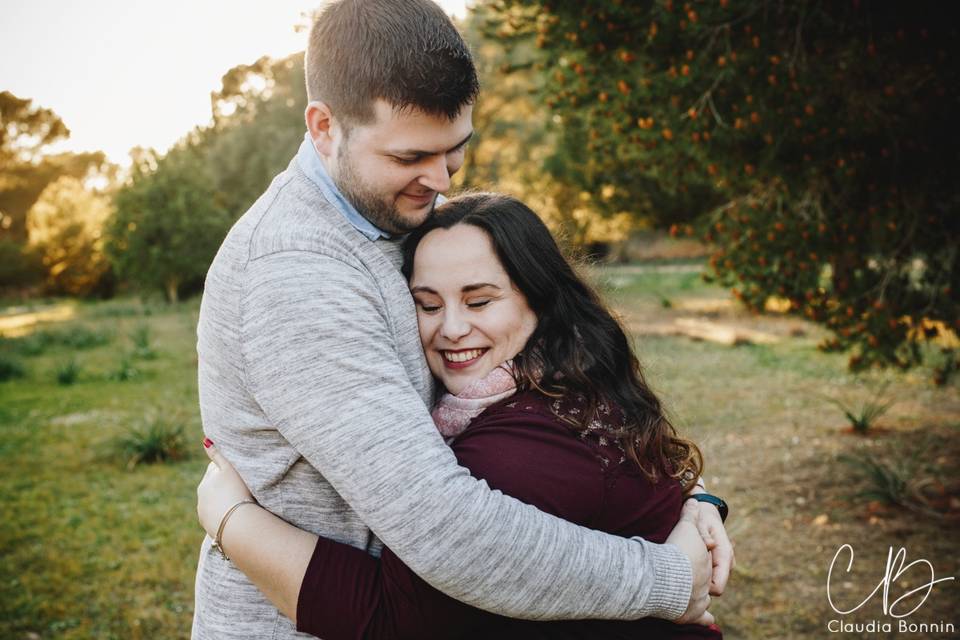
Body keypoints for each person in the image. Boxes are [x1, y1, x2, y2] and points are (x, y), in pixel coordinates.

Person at [192, 1, 732, 637]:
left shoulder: (399, 211)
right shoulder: (296, 272)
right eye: (411, 156)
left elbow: (553, 394)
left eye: (455, 152)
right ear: (323, 127)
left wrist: (678, 501)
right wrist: (666, 577)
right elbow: (444, 527)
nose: (439, 179)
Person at [197, 192, 727, 639]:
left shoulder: (511, 453)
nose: (450, 328)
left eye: (479, 302)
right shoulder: (574, 379)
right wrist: (698, 500)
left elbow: (393, 619)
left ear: (539, 301)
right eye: (427, 305)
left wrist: (229, 519)